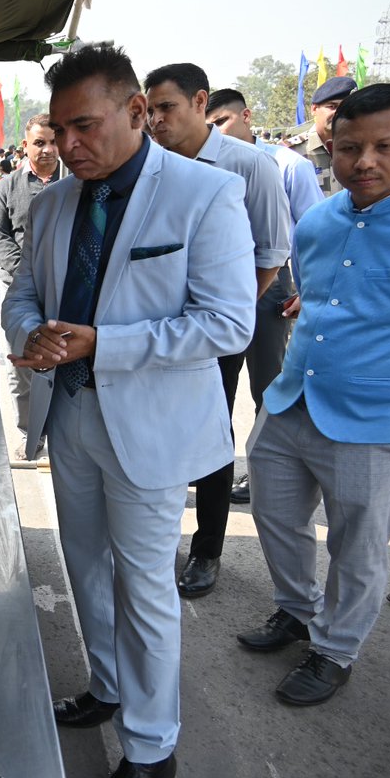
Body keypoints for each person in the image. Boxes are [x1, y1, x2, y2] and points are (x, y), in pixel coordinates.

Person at [3, 45, 256, 778]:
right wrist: (31, 332)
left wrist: (104, 344)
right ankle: (108, 684)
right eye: (58, 130)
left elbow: (227, 322)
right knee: (84, 565)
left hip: (148, 425)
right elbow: (25, 293)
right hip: (70, 414)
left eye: (84, 126)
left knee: (144, 586)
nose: (68, 145)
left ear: (137, 111)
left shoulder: (204, 193)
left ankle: (150, 749)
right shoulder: (52, 203)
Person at [237, 83, 390, 706]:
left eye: (385, 147)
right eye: (350, 147)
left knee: (356, 544)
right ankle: (298, 611)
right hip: (290, 400)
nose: (365, 162)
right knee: (274, 515)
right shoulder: (317, 221)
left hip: (370, 419)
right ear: (332, 147)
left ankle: (335, 650)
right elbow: (311, 297)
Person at [145, 62, 291, 599]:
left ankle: (206, 550)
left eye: (167, 108)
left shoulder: (248, 165)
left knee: (212, 434)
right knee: (158, 428)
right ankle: (155, 540)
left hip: (217, 331)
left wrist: (224, 316)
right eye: (150, 110)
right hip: (157, 328)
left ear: (200, 102)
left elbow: (270, 255)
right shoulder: (150, 164)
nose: (156, 121)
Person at [206, 88, 324, 504]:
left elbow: (313, 231)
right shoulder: (206, 162)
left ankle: (264, 477)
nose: (216, 131)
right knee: (215, 386)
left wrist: (307, 289)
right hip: (220, 289)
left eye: (221, 121)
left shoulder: (288, 163)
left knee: (267, 386)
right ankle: (210, 470)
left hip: (271, 285)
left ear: (246, 116)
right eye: (209, 124)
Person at [0, 113, 60, 461]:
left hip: (64, 289)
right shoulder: (7, 187)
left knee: (63, 359)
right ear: (25, 145)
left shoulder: (76, 181)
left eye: (53, 142)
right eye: (39, 142)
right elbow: (0, 236)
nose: (48, 149)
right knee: (22, 364)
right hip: (20, 290)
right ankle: (30, 433)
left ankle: (61, 432)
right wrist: (28, 276)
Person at [292, 76, 356, 196]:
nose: (339, 113)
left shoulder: (361, 149)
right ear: (314, 109)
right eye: (332, 106)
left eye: (346, 108)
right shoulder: (292, 151)